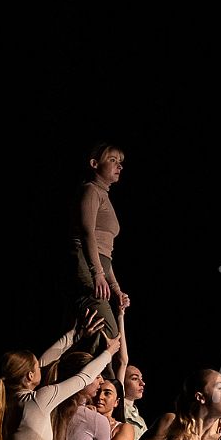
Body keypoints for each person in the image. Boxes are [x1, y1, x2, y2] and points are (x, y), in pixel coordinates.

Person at [69, 142, 130, 352]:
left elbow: (105, 253)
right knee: (108, 335)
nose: (119, 166)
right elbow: (87, 234)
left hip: (98, 265)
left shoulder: (104, 195)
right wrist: (97, 273)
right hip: (85, 263)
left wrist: (115, 288)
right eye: (112, 160)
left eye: (120, 162)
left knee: (100, 336)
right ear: (94, 164)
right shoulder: (91, 190)